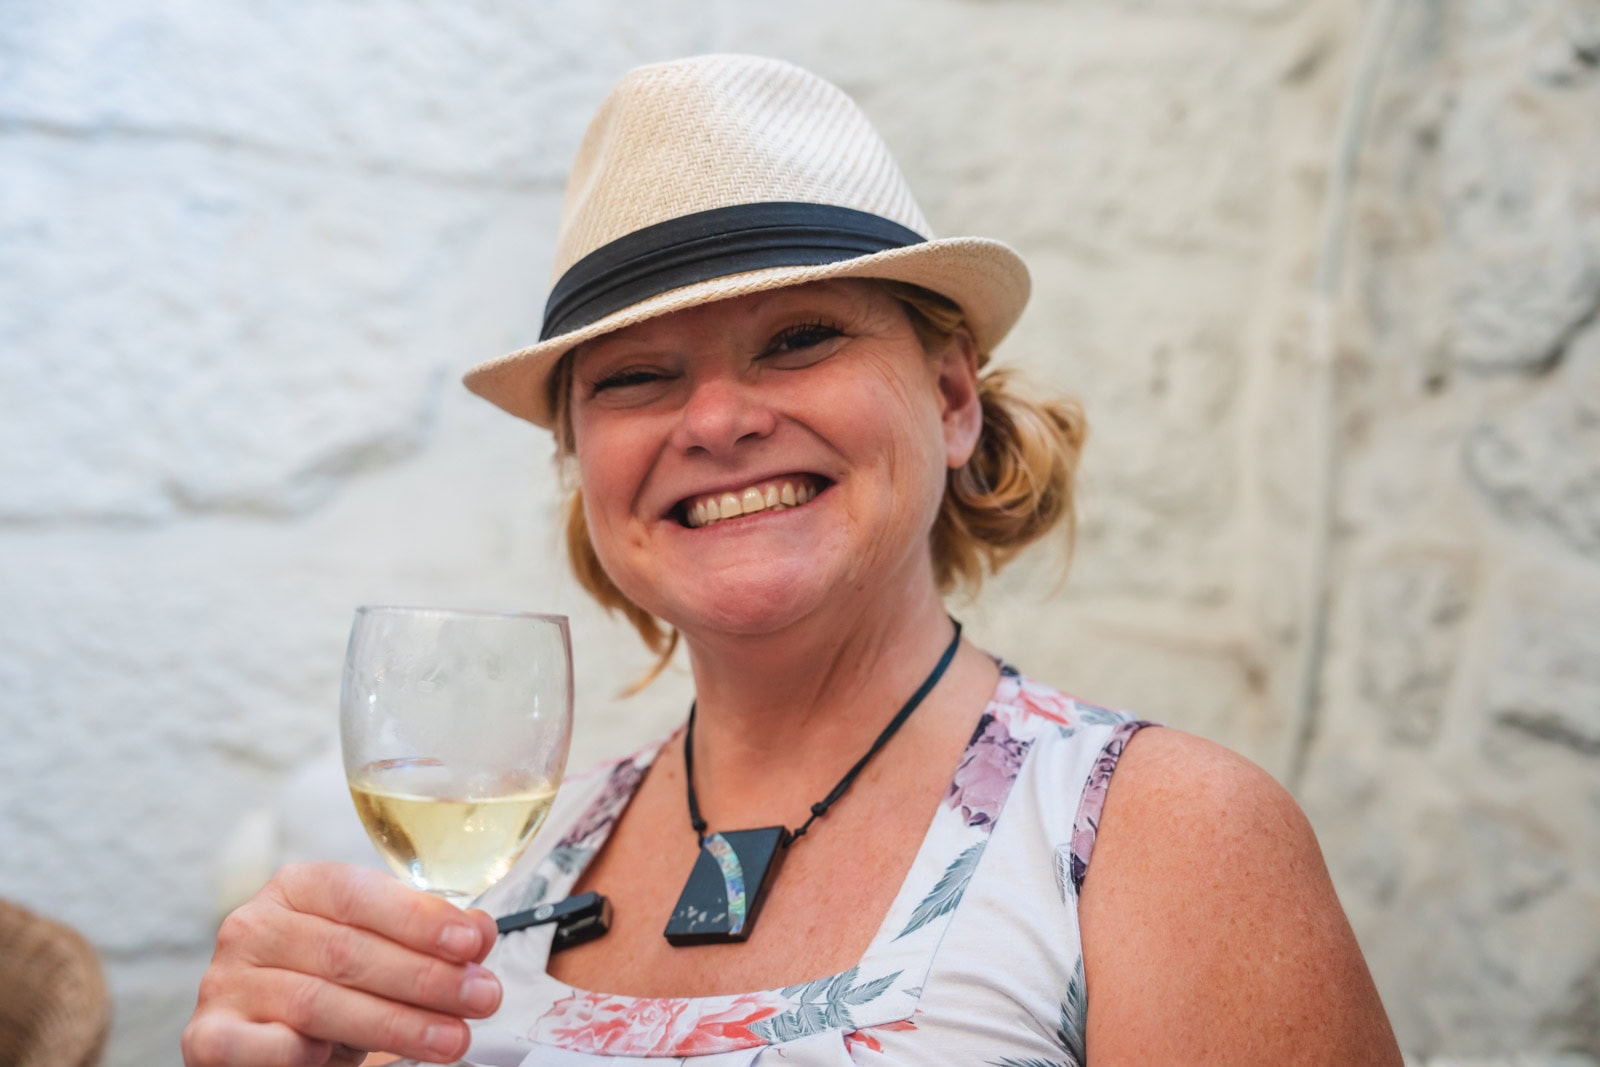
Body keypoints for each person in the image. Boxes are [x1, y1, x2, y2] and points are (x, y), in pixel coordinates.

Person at [183, 54, 1403, 1066]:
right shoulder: (509, 875)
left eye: (798, 338)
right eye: (637, 376)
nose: (715, 420)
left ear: (949, 397)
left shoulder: (1162, 835)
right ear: (580, 461)